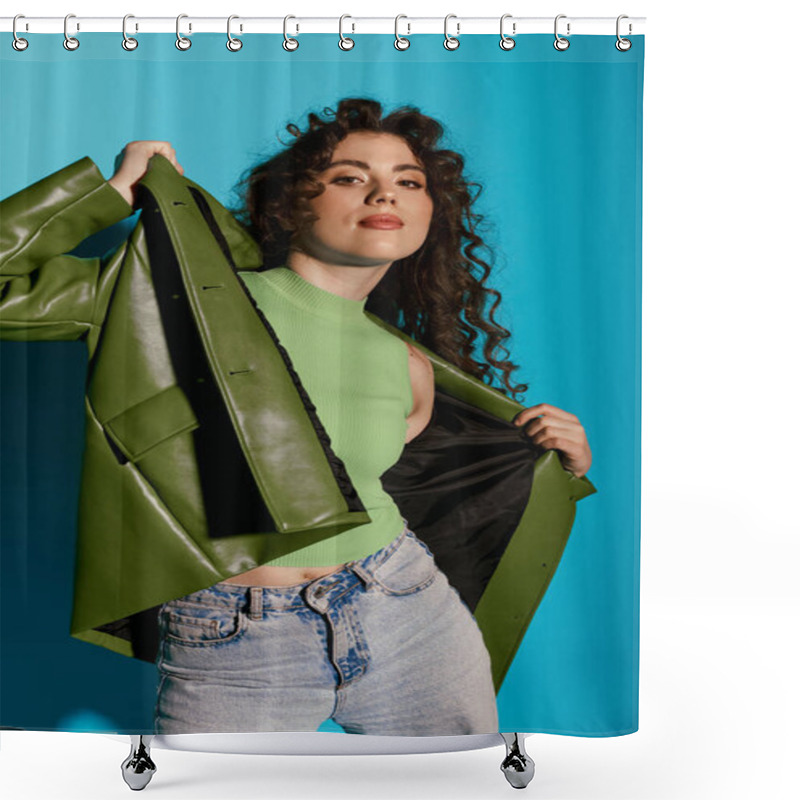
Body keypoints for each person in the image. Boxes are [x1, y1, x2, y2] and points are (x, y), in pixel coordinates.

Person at [3, 97, 592, 736]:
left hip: (405, 608)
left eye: (409, 182)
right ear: (293, 204)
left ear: (431, 214)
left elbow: (431, 485)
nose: (382, 194)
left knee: (448, 787)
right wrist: (111, 192)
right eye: (350, 177)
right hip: (235, 631)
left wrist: (557, 464)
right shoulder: (177, 303)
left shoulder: (411, 366)